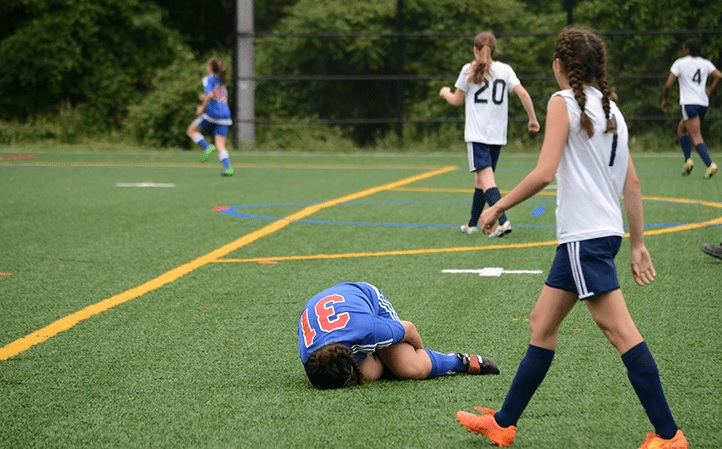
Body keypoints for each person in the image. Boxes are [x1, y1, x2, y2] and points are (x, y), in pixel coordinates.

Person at [456, 26, 687, 449]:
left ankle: (670, 435)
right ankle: (504, 423)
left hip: (584, 239)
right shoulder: (613, 111)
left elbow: (545, 172)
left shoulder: (562, 102)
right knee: (541, 324)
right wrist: (636, 243)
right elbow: (631, 182)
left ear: (561, 66)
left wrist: (497, 206)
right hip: (597, 237)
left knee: (622, 333)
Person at [298, 281, 499, 389]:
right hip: (342, 316)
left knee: (410, 368)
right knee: (367, 374)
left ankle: (457, 361)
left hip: (368, 299)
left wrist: (417, 353)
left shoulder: (368, 328)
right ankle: (387, 360)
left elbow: (409, 329)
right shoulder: (310, 355)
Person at [440, 32, 540, 237]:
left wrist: (444, 93)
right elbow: (522, 93)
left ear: (475, 50)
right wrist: (532, 118)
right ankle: (472, 224)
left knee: (487, 181)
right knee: (481, 180)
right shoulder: (505, 70)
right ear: (494, 50)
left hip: (477, 136)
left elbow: (456, 100)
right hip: (497, 135)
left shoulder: (468, 69)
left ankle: (503, 221)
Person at [661, 38, 721, 179]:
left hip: (689, 104)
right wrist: (710, 90)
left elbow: (668, 85)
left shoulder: (680, 63)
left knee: (696, 136)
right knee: (681, 128)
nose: (683, 50)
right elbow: (719, 76)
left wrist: (665, 99)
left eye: (684, 48)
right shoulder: (705, 63)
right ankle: (688, 161)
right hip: (703, 104)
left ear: (687, 49)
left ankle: (710, 164)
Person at [186, 56, 235, 177]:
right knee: (220, 145)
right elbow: (214, 95)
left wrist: (202, 108)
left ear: (209, 67)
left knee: (191, 130)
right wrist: (204, 96)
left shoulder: (208, 79)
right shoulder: (221, 80)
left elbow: (209, 96)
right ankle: (228, 168)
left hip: (213, 114)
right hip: (225, 115)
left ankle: (207, 147)